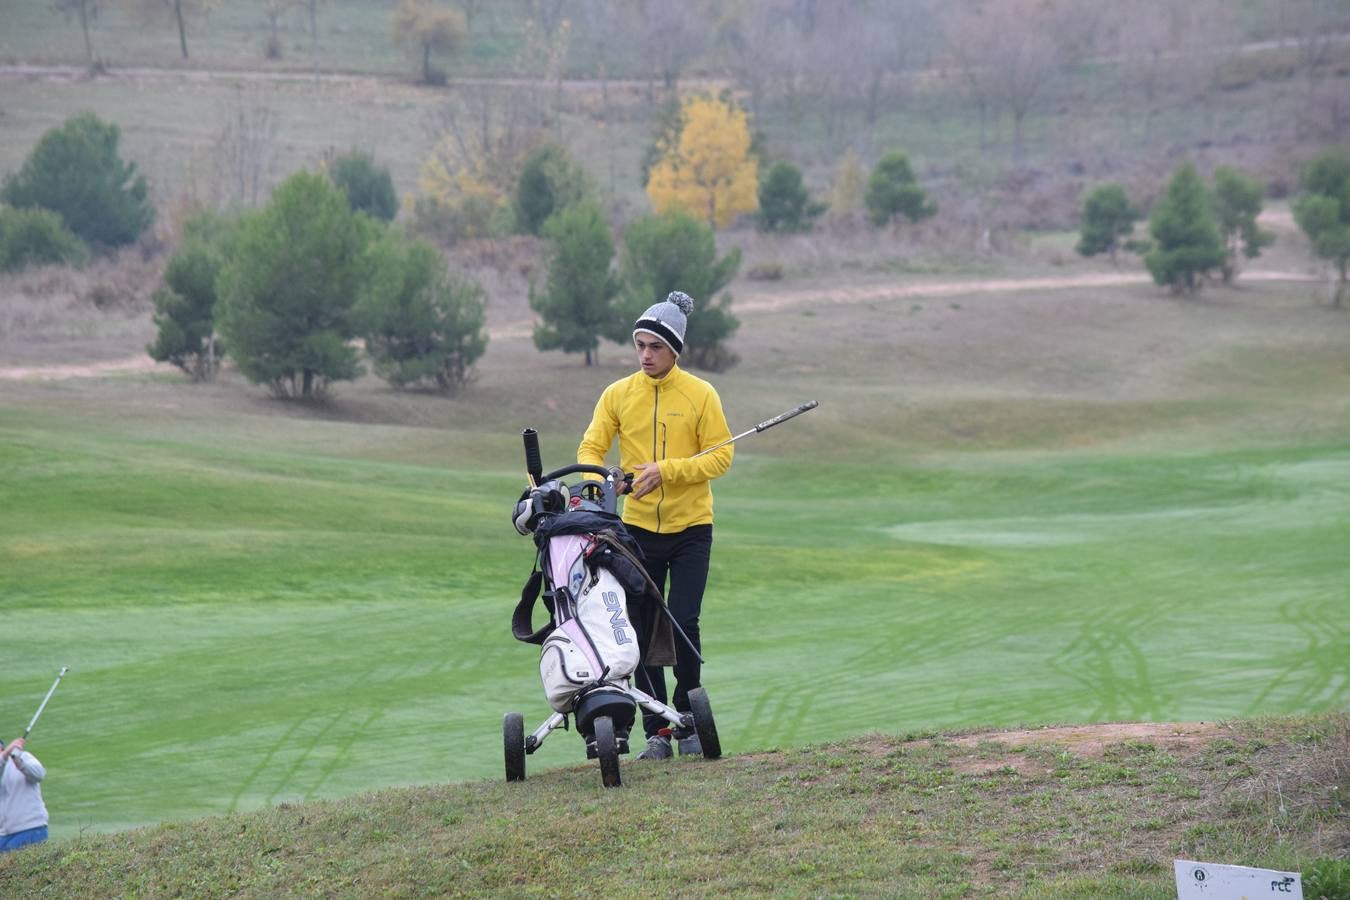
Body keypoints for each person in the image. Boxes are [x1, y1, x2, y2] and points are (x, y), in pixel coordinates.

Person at [577, 290, 734, 761]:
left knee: (683, 622)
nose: (646, 355)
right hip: (637, 531)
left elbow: (721, 456)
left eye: (655, 347)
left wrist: (665, 470)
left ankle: (689, 717)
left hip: (691, 529)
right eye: (640, 345)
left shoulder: (701, 394)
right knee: (642, 627)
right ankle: (658, 730)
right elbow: (590, 451)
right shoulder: (618, 394)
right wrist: (607, 483)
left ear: (675, 350)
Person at [0, 736, 49, 852]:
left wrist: (21, 763)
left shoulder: (24, 756)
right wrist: (6, 754)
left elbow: (39, 774)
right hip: (3, 835)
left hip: (31, 828)